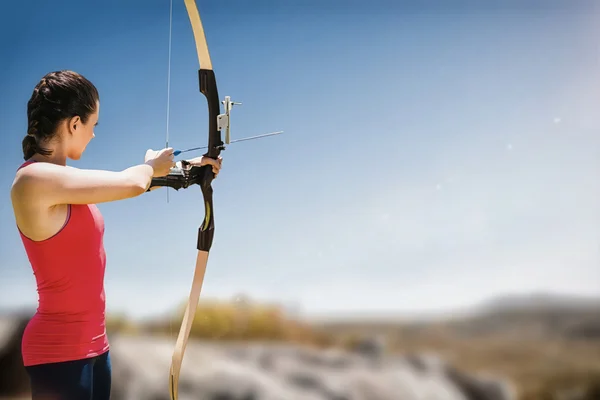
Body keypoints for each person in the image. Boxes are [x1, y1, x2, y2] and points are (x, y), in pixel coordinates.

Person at [10, 70, 222, 400]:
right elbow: (133, 181)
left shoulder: (64, 182)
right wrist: (151, 164)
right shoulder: (32, 181)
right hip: (58, 351)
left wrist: (192, 170)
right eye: (93, 126)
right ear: (74, 124)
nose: (93, 135)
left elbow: (134, 183)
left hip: (96, 346)